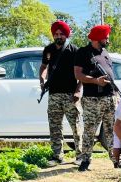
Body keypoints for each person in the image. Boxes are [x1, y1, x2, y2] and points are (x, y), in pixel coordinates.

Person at [39, 20, 82, 166]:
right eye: (56, 34)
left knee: (75, 126)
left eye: (61, 34)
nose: (58, 36)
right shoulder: (48, 49)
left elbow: (82, 73)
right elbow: (44, 66)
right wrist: (42, 79)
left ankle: (80, 156)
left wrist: (78, 90)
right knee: (55, 126)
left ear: (66, 35)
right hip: (54, 94)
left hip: (70, 94)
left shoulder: (74, 50)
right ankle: (57, 156)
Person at [75, 24, 117, 171]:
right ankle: (85, 161)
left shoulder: (105, 52)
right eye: (106, 36)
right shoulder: (83, 52)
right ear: (98, 38)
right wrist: (95, 81)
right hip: (93, 99)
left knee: (112, 130)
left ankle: (116, 159)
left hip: (110, 98)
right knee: (90, 131)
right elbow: (78, 74)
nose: (108, 39)